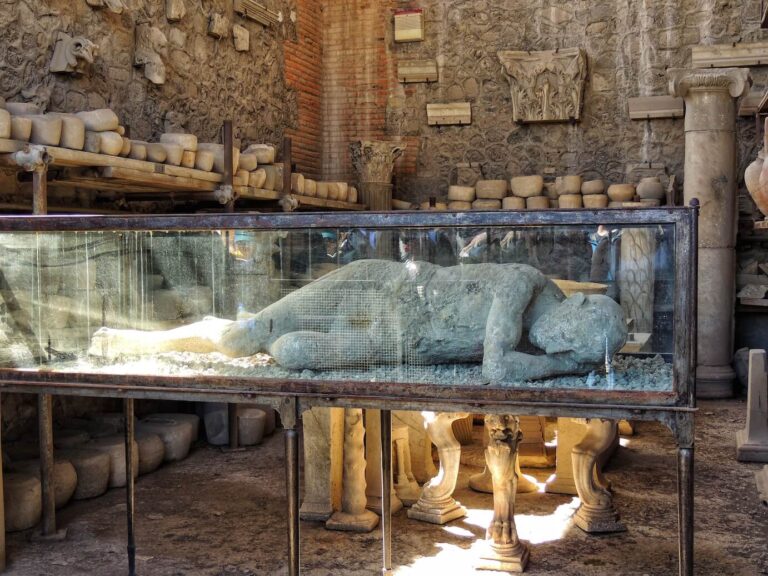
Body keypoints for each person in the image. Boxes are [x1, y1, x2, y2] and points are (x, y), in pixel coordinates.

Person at [89, 259, 627, 382]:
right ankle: (133, 343)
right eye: (568, 342)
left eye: (572, 354)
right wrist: (566, 369)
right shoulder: (524, 282)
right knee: (244, 337)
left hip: (388, 342)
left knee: (295, 355)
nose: (559, 352)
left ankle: (257, 334)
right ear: (574, 308)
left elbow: (509, 366)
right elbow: (495, 368)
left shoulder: (545, 342)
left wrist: (569, 362)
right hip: (378, 290)